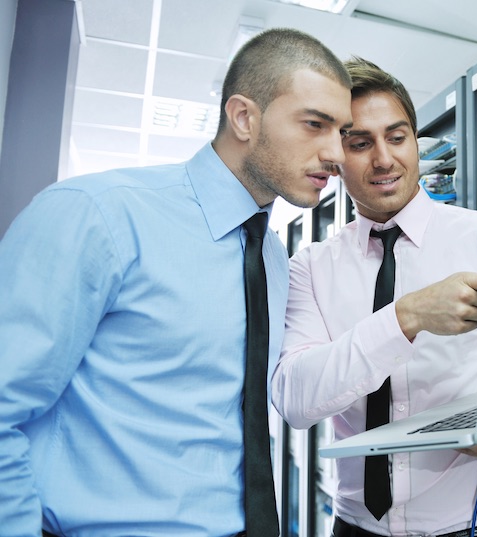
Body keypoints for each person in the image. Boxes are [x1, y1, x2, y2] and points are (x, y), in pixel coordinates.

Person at [0, 28, 353, 537]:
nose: (336, 153)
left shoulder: (272, 257)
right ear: (244, 117)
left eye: (340, 131)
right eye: (315, 124)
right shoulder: (98, 216)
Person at [271, 57, 477, 537]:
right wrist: (404, 318)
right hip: (354, 526)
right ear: (333, 155)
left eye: (397, 136)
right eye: (360, 142)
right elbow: (295, 399)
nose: (385, 159)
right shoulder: (310, 268)